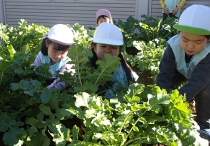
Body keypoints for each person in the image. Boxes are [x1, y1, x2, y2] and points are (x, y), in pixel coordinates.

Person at [156, 4, 210, 143]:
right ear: (178, 34)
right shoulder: (172, 46)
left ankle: (204, 123)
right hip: (179, 71)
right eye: (185, 40)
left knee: (205, 91)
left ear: (208, 39)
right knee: (166, 84)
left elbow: (198, 82)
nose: (190, 46)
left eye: (198, 42)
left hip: (203, 77)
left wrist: (175, 101)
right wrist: (160, 100)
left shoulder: (208, 53)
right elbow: (164, 75)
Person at [90, 22, 138, 98]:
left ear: (119, 50)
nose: (108, 50)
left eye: (114, 47)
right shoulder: (85, 65)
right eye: (103, 46)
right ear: (94, 48)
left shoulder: (121, 74)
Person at [33, 24, 75, 90]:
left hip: (57, 90)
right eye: (54, 51)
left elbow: (62, 81)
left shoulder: (68, 63)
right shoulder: (41, 56)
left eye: (63, 52)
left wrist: (47, 91)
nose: (58, 56)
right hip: (42, 84)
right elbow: (35, 70)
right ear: (47, 44)